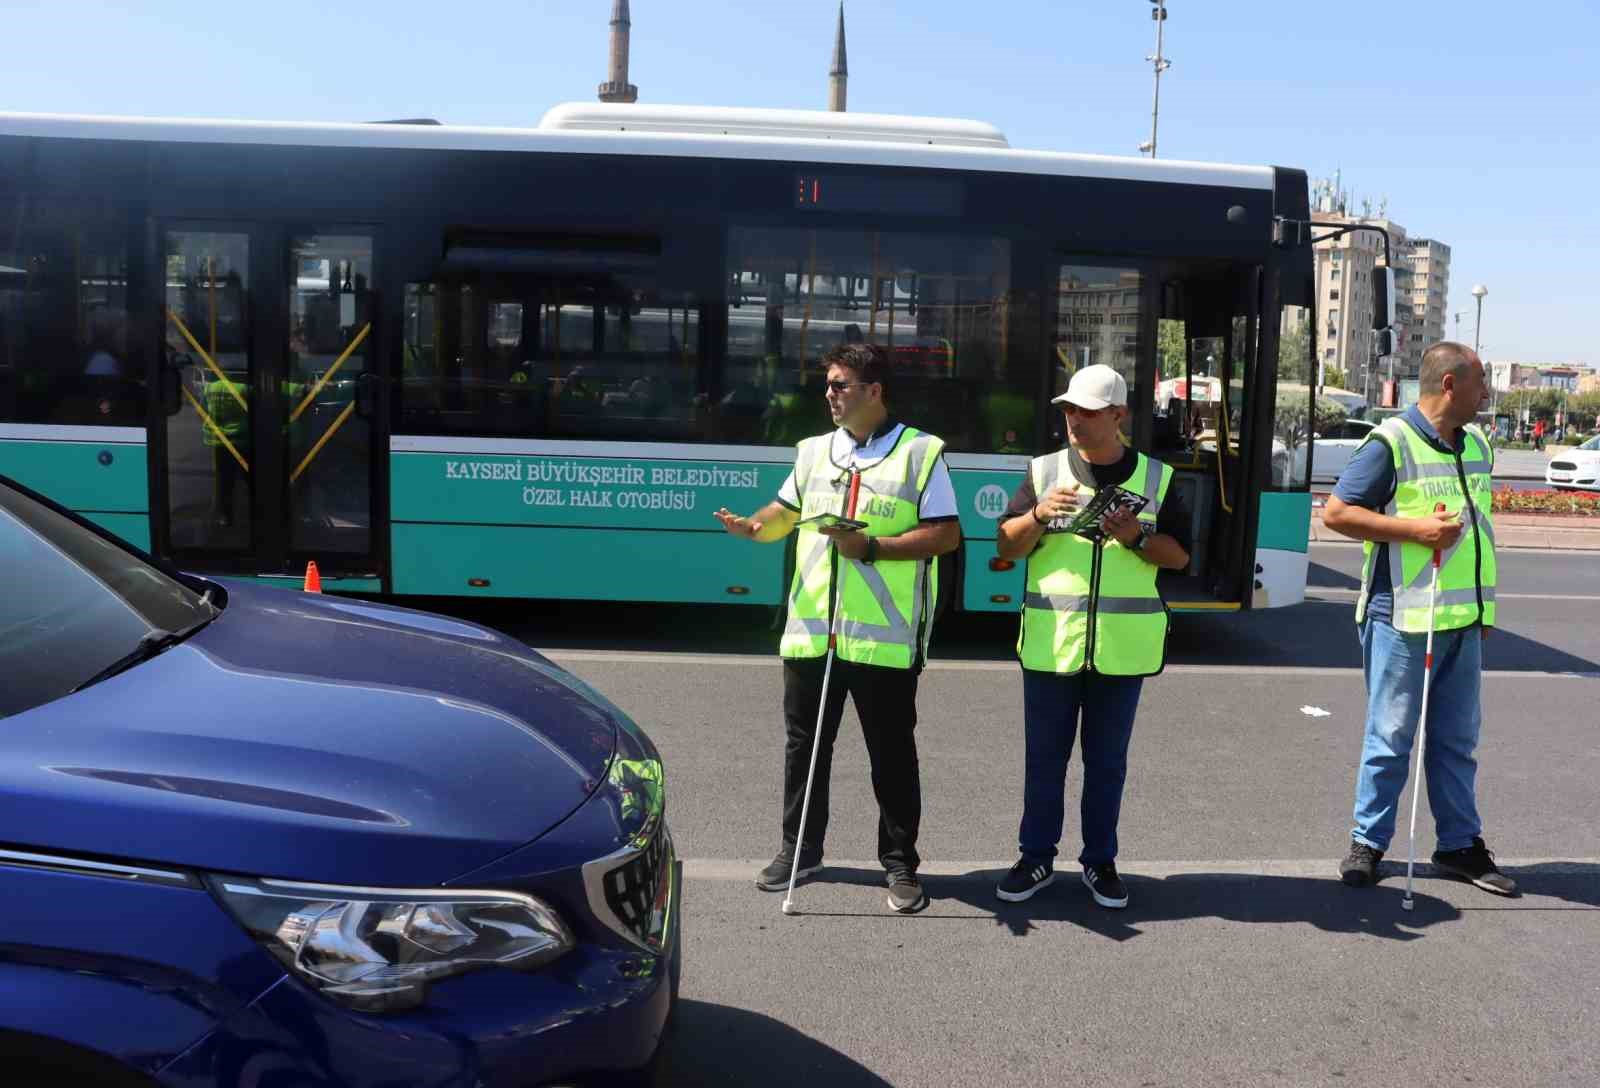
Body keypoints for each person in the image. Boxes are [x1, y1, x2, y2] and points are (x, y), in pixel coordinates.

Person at [714, 342, 961, 914]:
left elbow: (945, 535)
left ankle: (900, 866)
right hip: (811, 630)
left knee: (891, 753)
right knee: (805, 747)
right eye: (827, 384)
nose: (829, 394)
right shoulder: (813, 452)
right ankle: (798, 850)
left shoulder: (920, 453)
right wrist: (754, 528)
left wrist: (870, 546)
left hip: (884, 637)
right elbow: (784, 514)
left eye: (840, 384)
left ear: (874, 391)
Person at [991, 364, 1190, 910]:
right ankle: (1035, 857)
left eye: (1087, 411)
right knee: (1044, 759)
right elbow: (1006, 547)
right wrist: (1035, 514)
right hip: (1052, 644)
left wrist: (1135, 537)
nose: (1074, 420)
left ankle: (1100, 862)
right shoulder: (1045, 470)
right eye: (1069, 410)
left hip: (1123, 651)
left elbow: (1180, 556)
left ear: (1119, 416)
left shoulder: (1156, 477)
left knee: (1107, 763)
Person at [1323, 342, 1513, 896]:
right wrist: (1415, 531)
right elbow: (1337, 512)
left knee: (1456, 740)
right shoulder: (1391, 441)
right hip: (1400, 616)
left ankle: (1459, 845)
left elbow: (1479, 533)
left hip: (1462, 619)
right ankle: (1368, 843)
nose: (1486, 393)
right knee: (1391, 736)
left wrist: (1481, 610)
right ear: (1450, 385)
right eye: (1480, 381)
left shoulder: (1476, 443)